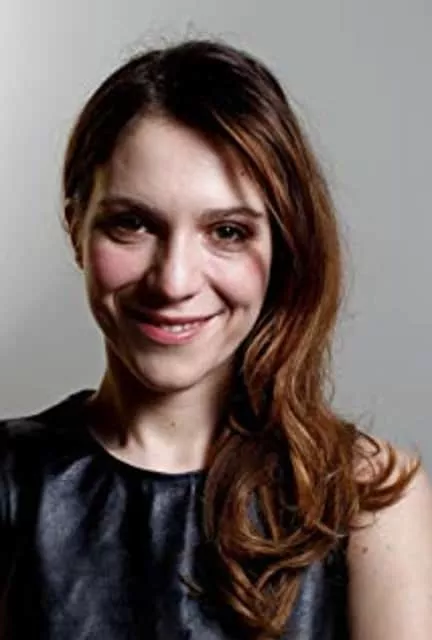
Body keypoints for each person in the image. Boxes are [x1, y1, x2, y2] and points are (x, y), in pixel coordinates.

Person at [0, 39, 431, 640]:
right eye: (132, 223)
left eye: (227, 231)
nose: (174, 281)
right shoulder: (10, 477)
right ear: (77, 229)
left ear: (283, 245)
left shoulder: (369, 498)